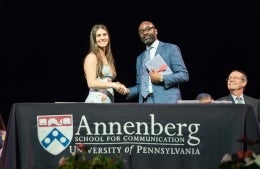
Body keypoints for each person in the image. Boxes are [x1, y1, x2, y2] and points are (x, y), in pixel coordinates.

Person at [121, 20, 189, 103]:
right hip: (146, 103)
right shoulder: (140, 58)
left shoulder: (170, 49)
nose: (145, 33)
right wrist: (127, 90)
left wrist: (161, 78)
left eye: (148, 29)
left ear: (156, 31)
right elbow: (142, 86)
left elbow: (184, 75)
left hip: (167, 101)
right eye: (141, 31)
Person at [83, 24, 127, 103]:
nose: (102, 38)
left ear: (108, 37)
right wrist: (114, 85)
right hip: (95, 102)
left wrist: (119, 85)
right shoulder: (92, 57)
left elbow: (106, 80)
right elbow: (91, 83)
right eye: (98, 35)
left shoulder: (108, 58)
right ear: (94, 39)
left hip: (107, 102)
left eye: (104, 34)